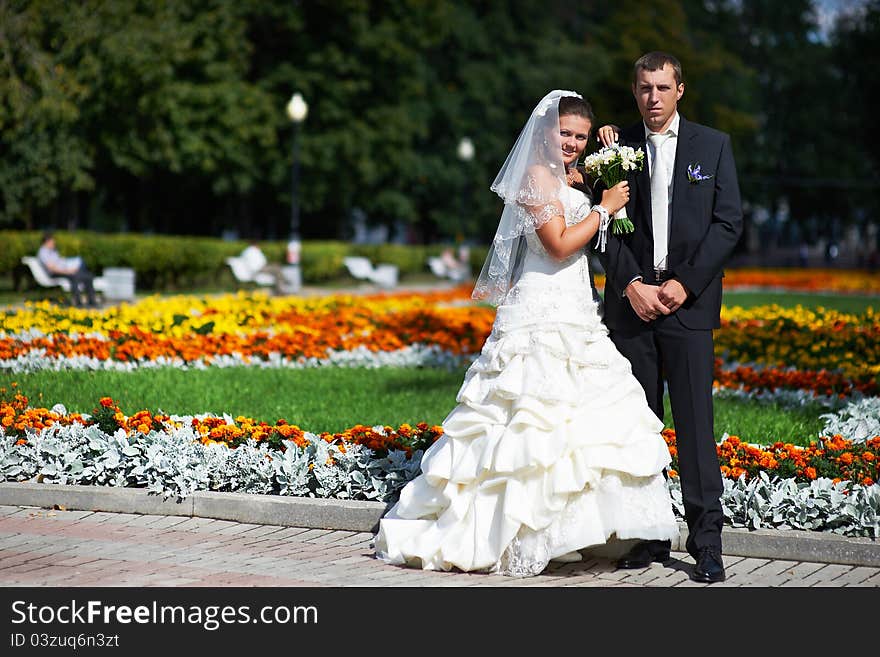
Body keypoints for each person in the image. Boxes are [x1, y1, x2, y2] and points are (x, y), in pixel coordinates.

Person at [373, 90, 680, 577]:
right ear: (545, 132)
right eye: (565, 134)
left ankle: (570, 529)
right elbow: (558, 245)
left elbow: (611, 198)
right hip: (540, 306)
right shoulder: (537, 176)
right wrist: (602, 209)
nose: (573, 144)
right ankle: (513, 530)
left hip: (577, 305)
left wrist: (605, 159)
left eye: (580, 136)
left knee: (576, 418)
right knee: (530, 420)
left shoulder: (573, 175)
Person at [594, 52, 744, 583]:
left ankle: (707, 544)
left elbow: (728, 224)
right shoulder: (615, 149)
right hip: (634, 308)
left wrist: (684, 284)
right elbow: (603, 228)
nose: (652, 97)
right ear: (634, 92)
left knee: (695, 430)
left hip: (689, 306)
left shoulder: (713, 146)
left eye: (661, 87)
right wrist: (631, 285)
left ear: (680, 89)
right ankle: (650, 535)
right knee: (639, 426)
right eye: (643, 88)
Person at [36, 231, 99, 308]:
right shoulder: (43, 252)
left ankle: (92, 302)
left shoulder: (52, 251)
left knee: (88, 276)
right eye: (52, 242)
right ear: (47, 242)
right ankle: (78, 303)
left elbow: (59, 262)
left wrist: (70, 268)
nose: (54, 243)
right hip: (55, 273)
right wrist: (68, 271)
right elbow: (52, 268)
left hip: (64, 269)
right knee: (74, 277)